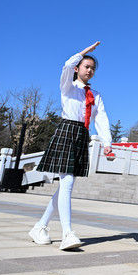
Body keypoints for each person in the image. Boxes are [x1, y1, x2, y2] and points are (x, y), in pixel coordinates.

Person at [30, 41, 113, 251]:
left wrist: (107, 143)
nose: (90, 70)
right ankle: (67, 233)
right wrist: (85, 52)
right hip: (67, 131)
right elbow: (67, 65)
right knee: (66, 182)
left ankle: (40, 227)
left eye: (93, 68)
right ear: (78, 68)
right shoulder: (68, 86)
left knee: (64, 186)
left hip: (82, 135)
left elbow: (101, 119)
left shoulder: (96, 95)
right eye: (86, 66)